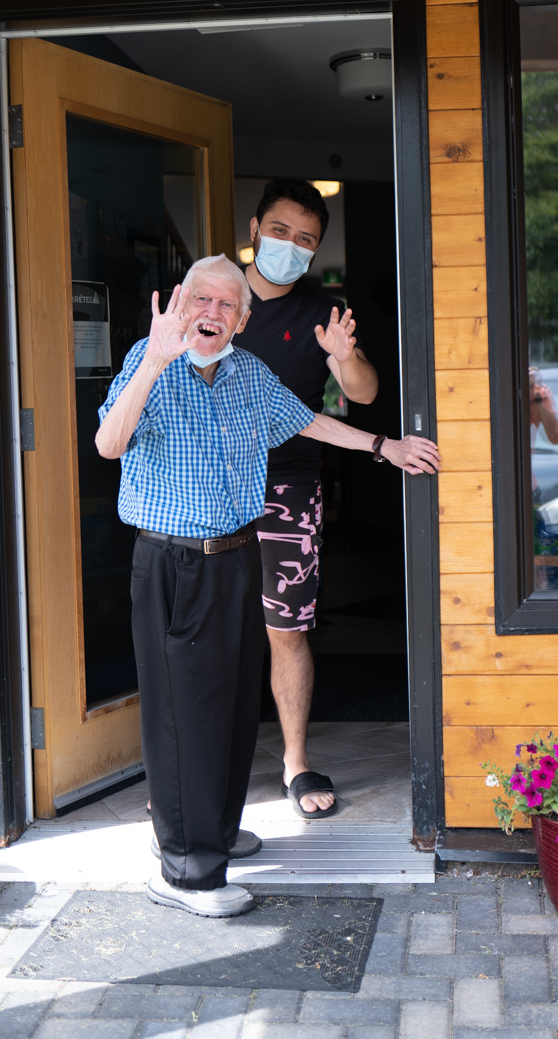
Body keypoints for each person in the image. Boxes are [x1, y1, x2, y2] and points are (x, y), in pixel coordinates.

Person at [94, 255, 439, 918]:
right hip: (172, 563)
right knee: (182, 716)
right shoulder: (150, 360)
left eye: (228, 305)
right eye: (202, 299)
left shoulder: (248, 372)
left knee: (227, 709)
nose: (213, 313)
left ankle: (217, 833)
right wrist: (153, 362)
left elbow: (305, 420)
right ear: (179, 304)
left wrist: (383, 447)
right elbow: (111, 442)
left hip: (235, 556)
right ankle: (185, 870)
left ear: (243, 320)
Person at [231, 180, 376, 820]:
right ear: (256, 227)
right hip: (205, 488)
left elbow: (365, 393)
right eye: (281, 231)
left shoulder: (322, 310)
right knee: (208, 632)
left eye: (306, 240)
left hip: (289, 485)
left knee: (285, 630)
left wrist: (344, 361)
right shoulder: (213, 295)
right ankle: (207, 766)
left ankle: (294, 760)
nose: (291, 246)